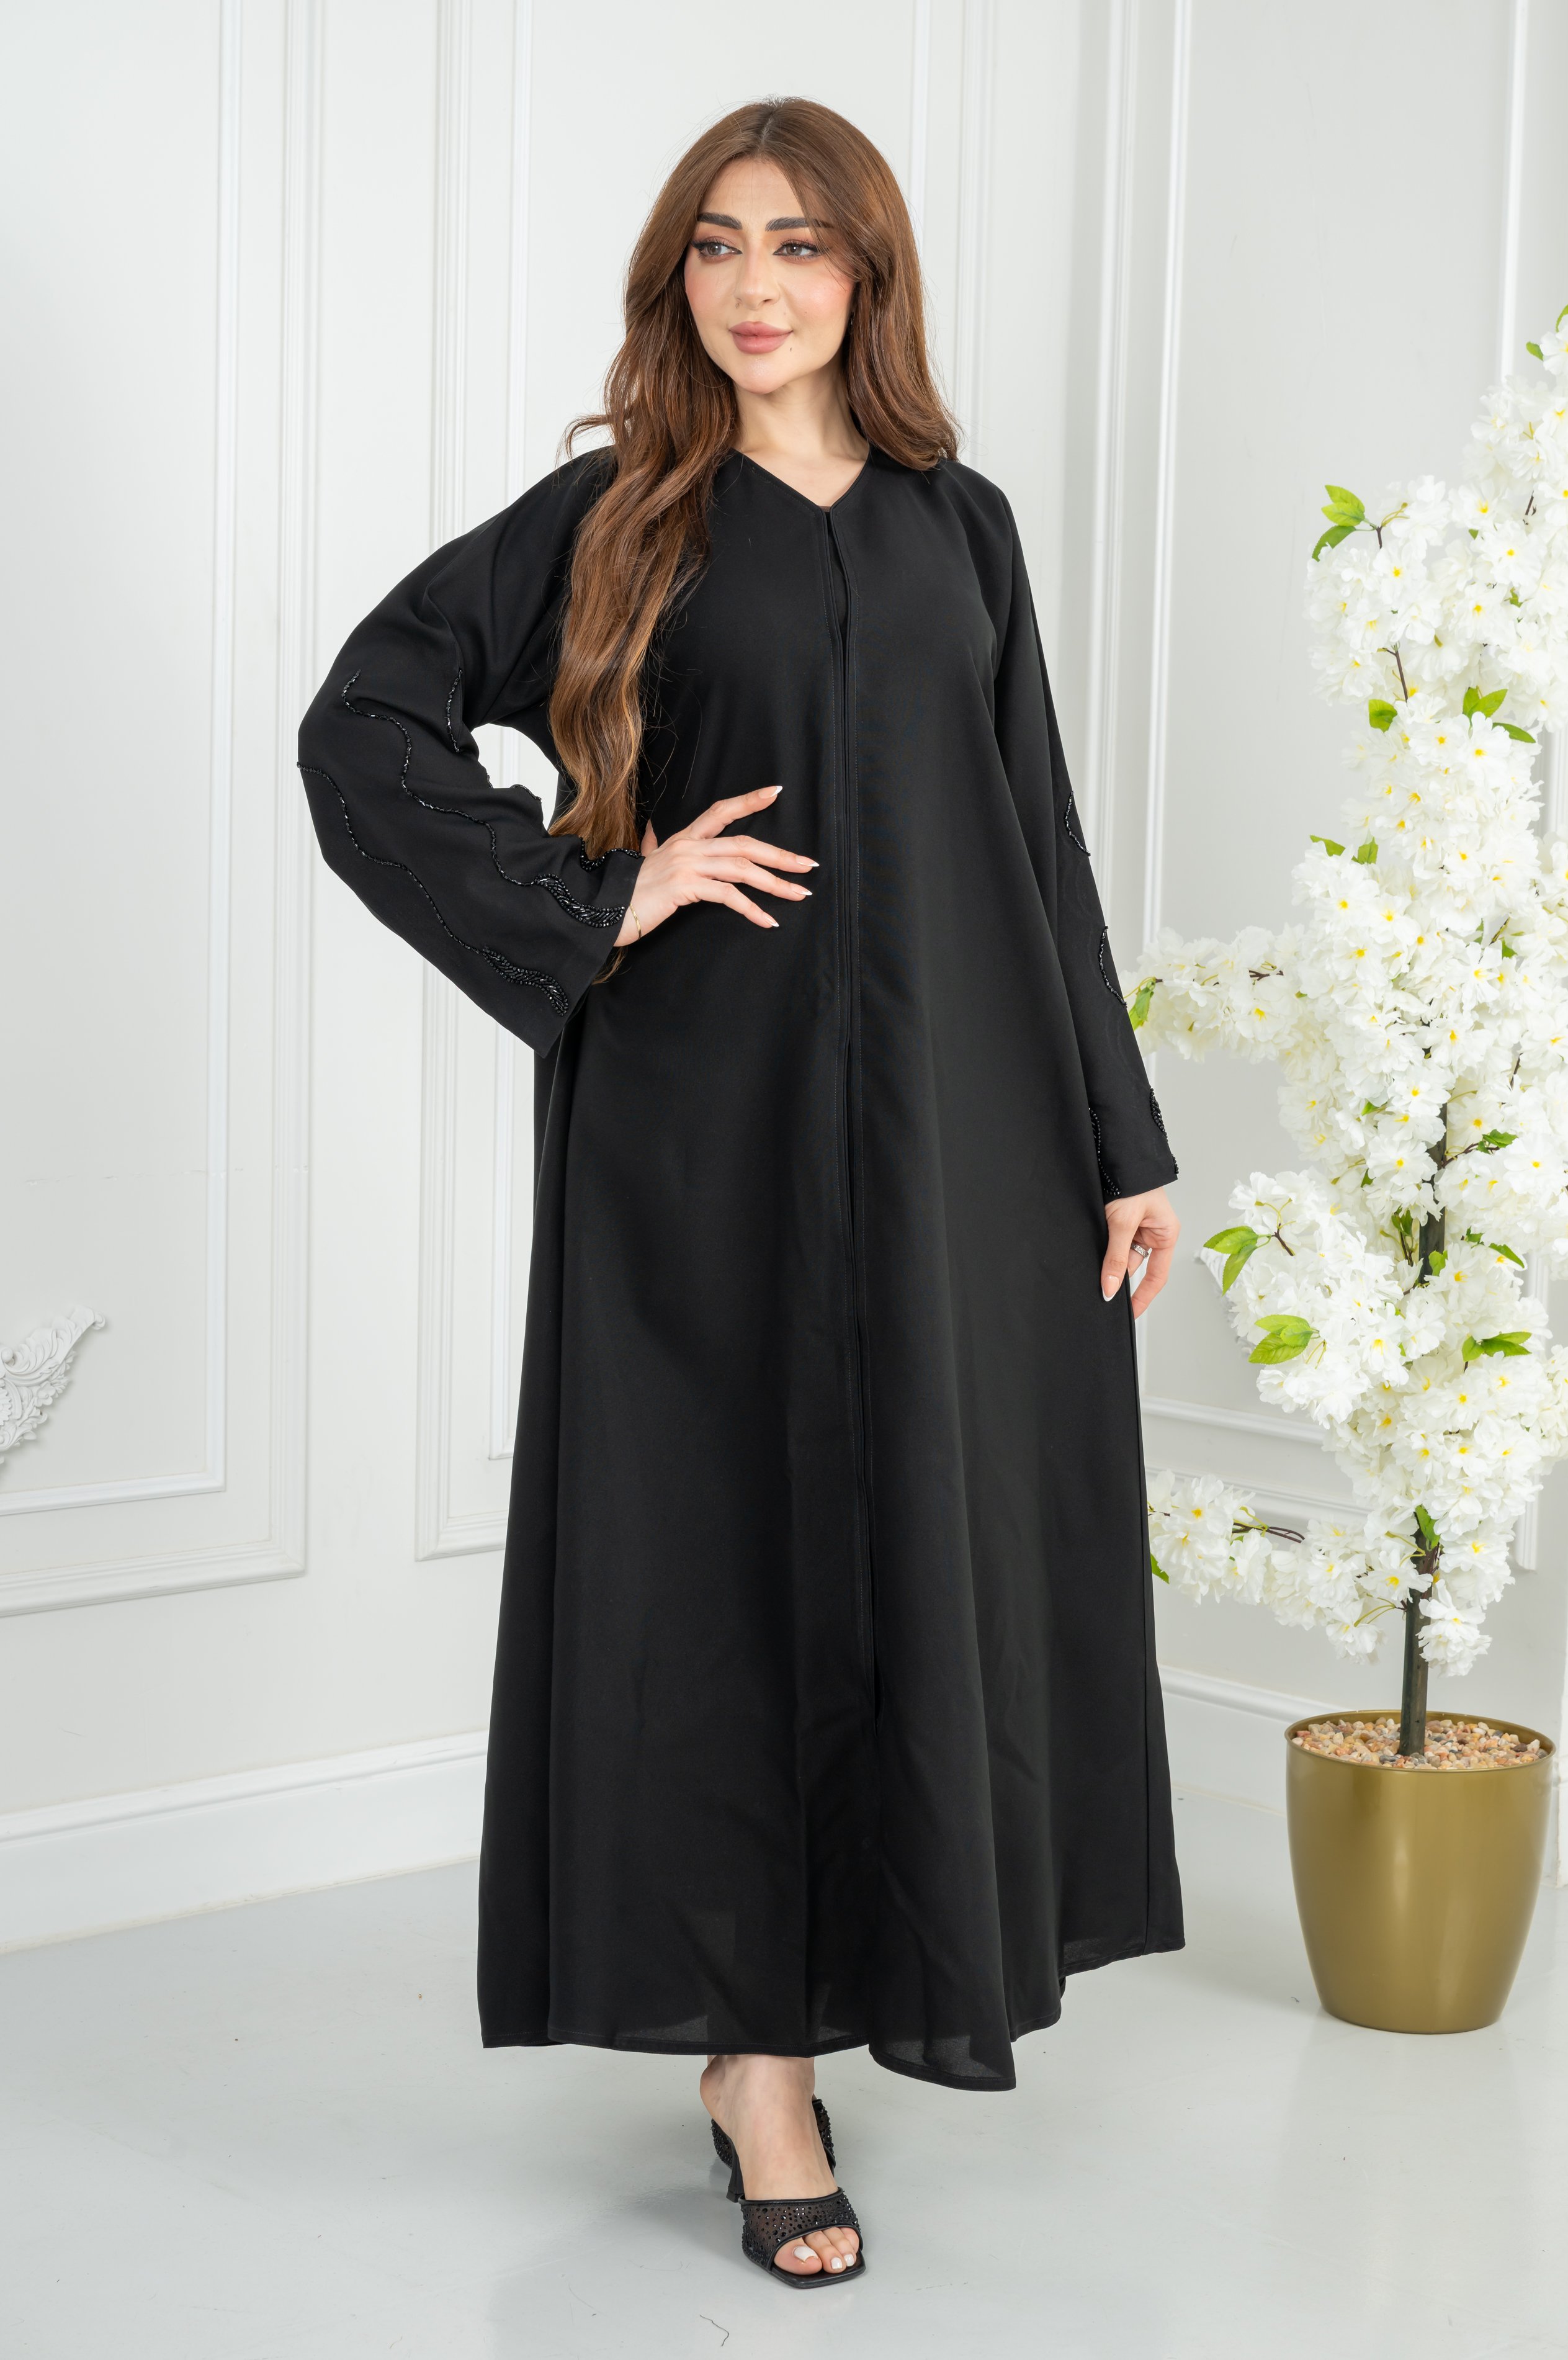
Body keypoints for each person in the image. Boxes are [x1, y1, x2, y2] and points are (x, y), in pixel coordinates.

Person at [298, 94, 1183, 2289]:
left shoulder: (961, 527)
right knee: (722, 1562)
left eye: (798, 243)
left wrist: (1122, 1135)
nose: (755, 283)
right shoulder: (625, 513)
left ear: (866, 272)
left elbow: (1038, 837)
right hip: (702, 1132)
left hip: (963, 1129)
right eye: (716, 244)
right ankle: (756, 2066)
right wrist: (598, 895)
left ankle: (884, 1974)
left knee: (925, 1540)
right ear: (675, 278)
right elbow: (366, 720)